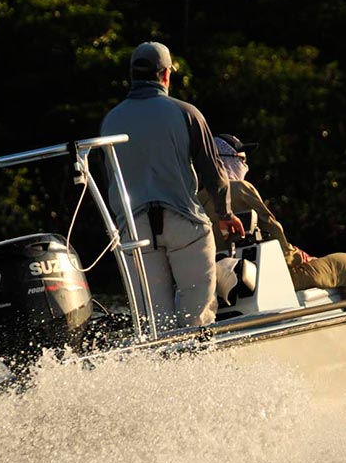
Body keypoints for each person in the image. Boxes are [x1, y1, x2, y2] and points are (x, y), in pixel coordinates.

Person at [100, 42, 245, 328]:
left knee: (155, 323)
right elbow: (213, 172)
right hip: (183, 223)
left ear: (133, 75)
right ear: (165, 75)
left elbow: (110, 179)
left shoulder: (110, 120)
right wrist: (225, 214)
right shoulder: (187, 112)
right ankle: (195, 365)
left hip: (135, 229)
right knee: (196, 317)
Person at [200, 134, 346, 300]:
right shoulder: (239, 189)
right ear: (223, 161)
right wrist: (299, 257)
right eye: (241, 160)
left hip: (217, 284)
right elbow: (276, 237)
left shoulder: (195, 201)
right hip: (266, 279)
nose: (245, 166)